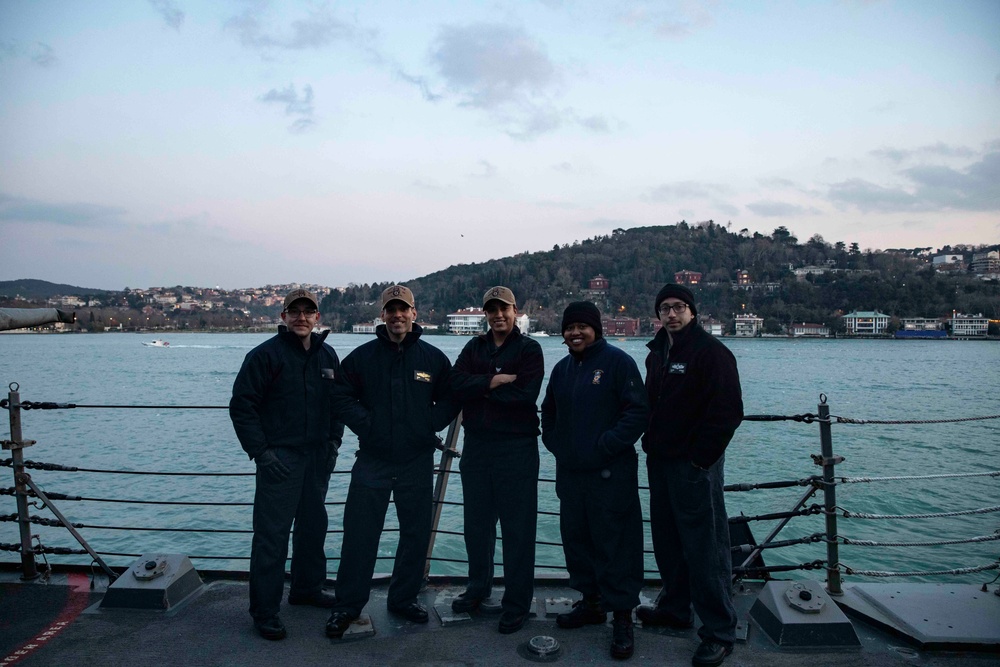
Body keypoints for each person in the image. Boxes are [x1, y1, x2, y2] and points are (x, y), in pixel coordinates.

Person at [325, 285, 459, 638]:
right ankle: (347, 605)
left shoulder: (433, 359)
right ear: (382, 315)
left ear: (415, 314)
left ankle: (402, 598)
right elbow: (339, 396)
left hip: (416, 460)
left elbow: (450, 398)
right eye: (391, 310)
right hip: (373, 460)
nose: (397, 315)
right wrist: (369, 427)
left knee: (415, 535)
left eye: (404, 309)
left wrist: (428, 426)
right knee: (359, 535)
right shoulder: (361, 358)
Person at [230, 288, 343, 641]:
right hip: (279, 458)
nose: (301, 317)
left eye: (308, 312)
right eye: (294, 312)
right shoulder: (264, 356)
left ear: (317, 317)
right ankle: (264, 611)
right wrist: (262, 454)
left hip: (316, 458)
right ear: (283, 316)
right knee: (271, 537)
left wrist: (334, 444)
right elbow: (242, 406)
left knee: (313, 528)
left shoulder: (328, 356)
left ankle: (307, 589)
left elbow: (337, 404)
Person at [639, 284, 743, 667]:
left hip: (694, 467)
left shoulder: (712, 353)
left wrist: (701, 459)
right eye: (664, 308)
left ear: (692, 311)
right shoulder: (657, 354)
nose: (671, 314)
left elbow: (729, 410)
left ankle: (719, 631)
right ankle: (676, 608)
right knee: (668, 540)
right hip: (660, 463)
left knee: (706, 547)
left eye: (678, 307)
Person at [540, 301, 649, 660]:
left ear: (596, 329)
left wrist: (607, 445)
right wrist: (555, 443)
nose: (575, 333)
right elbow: (549, 412)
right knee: (578, 540)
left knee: (616, 544)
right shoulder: (561, 369)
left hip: (610, 474)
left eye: (582, 327)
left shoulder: (619, 363)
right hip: (571, 474)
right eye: (569, 327)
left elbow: (636, 412)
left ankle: (622, 617)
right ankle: (591, 603)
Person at [449, 286, 544, 634]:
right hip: (477, 447)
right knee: (477, 524)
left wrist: (478, 390)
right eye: (492, 310)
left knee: (518, 529)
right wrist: (493, 381)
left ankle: (517, 603)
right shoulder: (474, 347)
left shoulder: (530, 350)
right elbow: (454, 383)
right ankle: (478, 588)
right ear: (485, 313)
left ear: (515, 310)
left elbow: (526, 396)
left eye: (503, 309)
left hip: (516, 449)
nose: (498, 315)